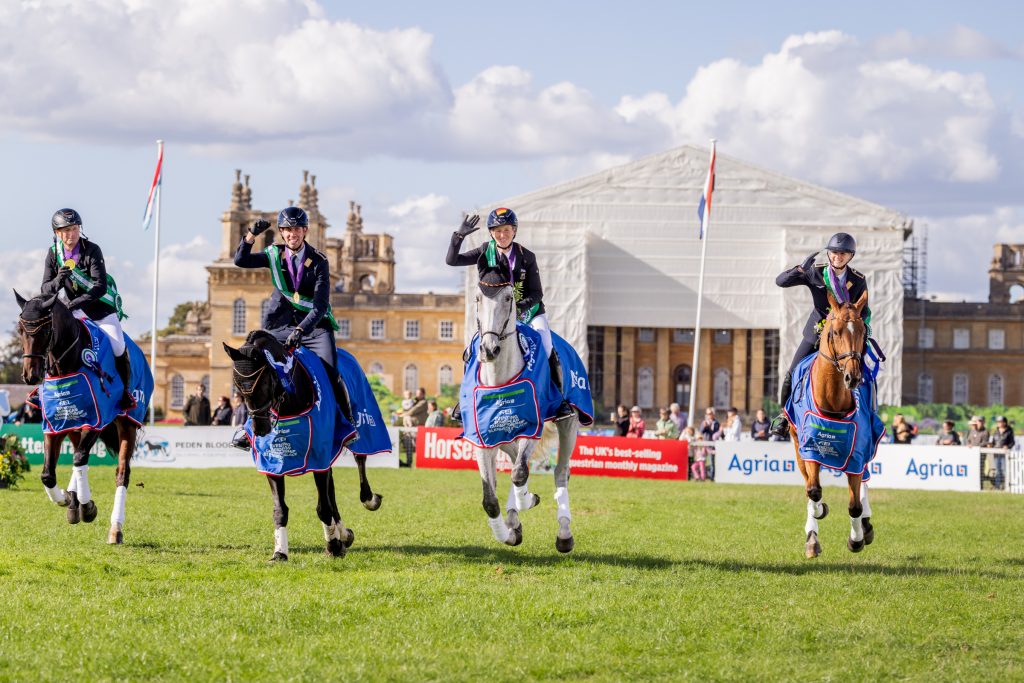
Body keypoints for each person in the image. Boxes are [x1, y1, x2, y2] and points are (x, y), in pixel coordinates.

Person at [233, 207, 352, 444]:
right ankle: (248, 430)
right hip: (281, 324)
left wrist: (301, 331)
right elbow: (240, 260)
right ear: (281, 232)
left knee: (330, 372)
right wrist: (250, 236)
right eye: (286, 229)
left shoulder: (319, 261)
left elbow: (319, 306)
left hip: (314, 328)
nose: (291, 234)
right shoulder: (274, 254)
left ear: (305, 230)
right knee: (258, 368)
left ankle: (344, 424)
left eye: (296, 229)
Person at [446, 208, 573, 421]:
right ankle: (465, 398)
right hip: (495, 315)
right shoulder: (484, 252)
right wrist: (458, 237)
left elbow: (537, 292)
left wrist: (518, 309)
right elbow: (452, 260)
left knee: (546, 342)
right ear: (491, 233)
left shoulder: (527, 257)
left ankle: (559, 399)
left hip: (529, 312)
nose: (502, 234)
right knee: (471, 350)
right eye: (497, 230)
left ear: (514, 231)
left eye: (506, 230)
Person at [770, 232, 869, 437]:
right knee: (792, 373)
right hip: (817, 333)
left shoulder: (858, 280)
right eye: (833, 253)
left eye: (843, 254)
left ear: (850, 256)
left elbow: (864, 310)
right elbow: (780, 282)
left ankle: (869, 414)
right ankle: (784, 417)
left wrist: (862, 327)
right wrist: (799, 270)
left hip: (846, 336)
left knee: (865, 372)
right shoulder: (816, 272)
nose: (837, 257)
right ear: (829, 253)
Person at [40, 208, 134, 409]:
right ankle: (43, 389)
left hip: (100, 311)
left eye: (74, 229)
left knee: (118, 345)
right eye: (65, 231)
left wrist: (74, 304)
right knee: (50, 338)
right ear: (57, 233)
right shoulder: (52, 253)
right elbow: (45, 287)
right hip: (73, 312)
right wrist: (58, 280)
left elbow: (99, 286)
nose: (71, 235)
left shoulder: (92, 249)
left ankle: (125, 392)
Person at [988, 416, 1015, 489]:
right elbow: (993, 442)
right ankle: (997, 486)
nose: (998, 423)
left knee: (1005, 470)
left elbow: (1012, 442)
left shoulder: (1009, 431)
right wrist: (990, 445)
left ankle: (1007, 486)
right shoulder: (995, 431)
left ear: (1004, 422)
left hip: (1005, 454)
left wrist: (1007, 446)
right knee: (997, 470)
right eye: (998, 422)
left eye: (1000, 422)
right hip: (996, 453)